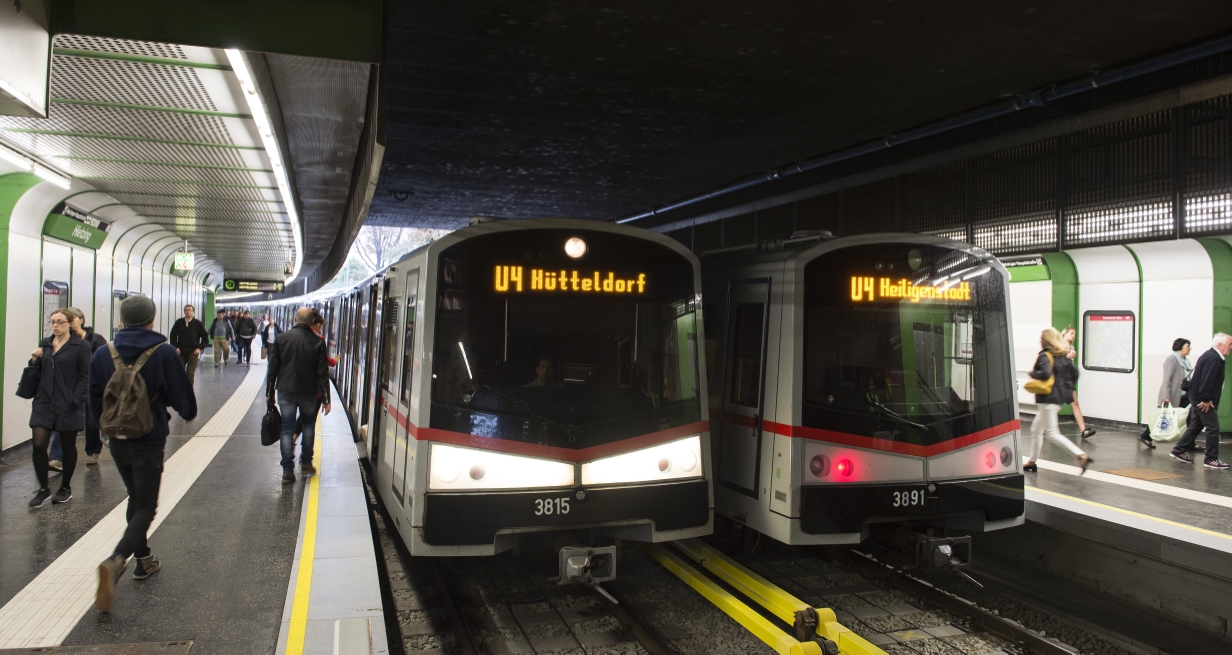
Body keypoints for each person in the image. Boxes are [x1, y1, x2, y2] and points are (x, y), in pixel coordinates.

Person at [91, 295, 197, 611]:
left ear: (121, 321)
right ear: (152, 321)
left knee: (135, 498)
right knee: (145, 506)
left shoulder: (102, 353)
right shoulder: (162, 353)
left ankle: (144, 560)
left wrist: (100, 435)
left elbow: (93, 399)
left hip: (116, 440)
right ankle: (116, 560)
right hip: (149, 438)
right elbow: (186, 406)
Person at [26, 308, 92, 507]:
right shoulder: (45, 344)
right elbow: (39, 371)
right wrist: (34, 360)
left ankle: (65, 488)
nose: (55, 325)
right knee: (38, 445)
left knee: (67, 446)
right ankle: (44, 489)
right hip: (44, 402)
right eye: (52, 322)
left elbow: (85, 376)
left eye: (60, 322)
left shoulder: (80, 346)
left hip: (68, 403)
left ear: (70, 324)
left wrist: (75, 399)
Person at [266, 307, 331, 484]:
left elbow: (272, 369)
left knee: (287, 428)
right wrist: (326, 399)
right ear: (312, 322)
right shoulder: (318, 342)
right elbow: (323, 373)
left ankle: (287, 471)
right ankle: (306, 463)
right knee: (308, 425)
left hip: (285, 389)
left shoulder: (281, 338)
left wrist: (269, 392)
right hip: (309, 391)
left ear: (295, 319)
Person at [1024, 328, 1092, 474]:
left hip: (1048, 399)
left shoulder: (1045, 356)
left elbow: (1046, 373)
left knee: (1053, 434)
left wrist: (1032, 373)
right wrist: (1067, 388)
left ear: (1046, 341)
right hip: (1059, 399)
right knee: (1036, 430)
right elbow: (1075, 373)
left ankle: (1081, 455)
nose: (1039, 341)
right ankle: (1032, 461)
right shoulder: (1063, 356)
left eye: (1041, 339)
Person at [1170, 333, 1231, 469]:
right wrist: (1206, 399)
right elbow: (1207, 381)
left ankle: (1178, 450)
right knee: (1213, 427)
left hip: (1197, 396)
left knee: (1196, 425)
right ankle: (1211, 459)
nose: (1231, 347)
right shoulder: (1214, 359)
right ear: (1220, 345)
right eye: (1230, 344)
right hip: (1203, 400)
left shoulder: (1210, 355)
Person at [1140, 338, 1192, 449]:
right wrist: (1166, 396)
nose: (1190, 348)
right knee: (1164, 417)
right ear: (1180, 347)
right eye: (1188, 346)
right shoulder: (1172, 359)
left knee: (1189, 417)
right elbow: (1166, 379)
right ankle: (1146, 436)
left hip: (1184, 394)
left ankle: (1190, 442)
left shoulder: (1185, 361)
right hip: (1173, 394)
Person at [1059, 326, 1096, 440]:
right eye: (1071, 333)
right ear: (1064, 334)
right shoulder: (1059, 346)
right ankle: (1041, 428)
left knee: (1075, 403)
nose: (1073, 336)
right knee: (1054, 405)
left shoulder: (1072, 347)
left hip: (1068, 379)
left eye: (1074, 334)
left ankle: (1083, 430)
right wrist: (1067, 356)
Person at [169, 304, 209, 385]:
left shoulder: (197, 323)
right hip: (181, 351)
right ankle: (179, 389)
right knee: (179, 371)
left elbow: (205, 337)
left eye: (190, 310)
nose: (188, 312)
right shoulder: (179, 322)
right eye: (186, 310)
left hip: (193, 351)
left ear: (193, 312)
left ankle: (189, 391)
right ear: (184, 312)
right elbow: (173, 335)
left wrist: (199, 348)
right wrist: (175, 347)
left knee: (190, 373)